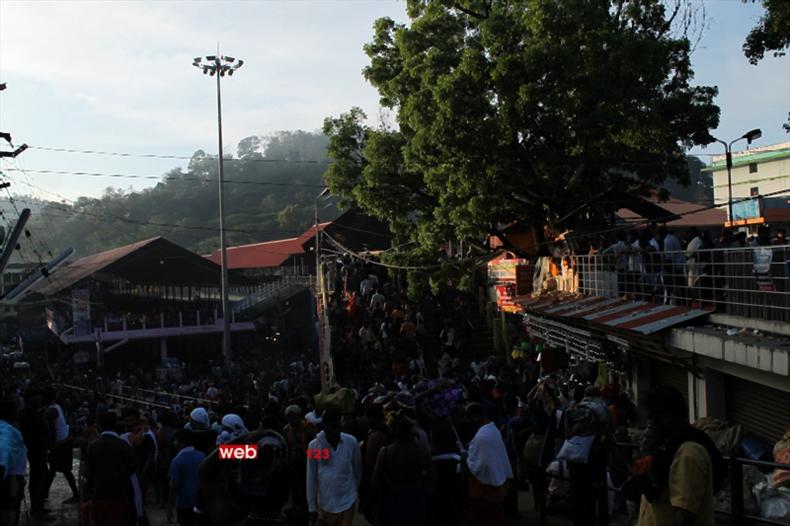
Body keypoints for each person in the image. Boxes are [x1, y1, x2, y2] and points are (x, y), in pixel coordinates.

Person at [635, 386, 723, 526]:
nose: (649, 425)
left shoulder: (688, 454)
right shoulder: (666, 450)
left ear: (666, 417)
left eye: (652, 419)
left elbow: (684, 516)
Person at [372, 415, 435, 526]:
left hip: (394, 496)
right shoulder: (421, 450)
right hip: (416, 496)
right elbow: (433, 475)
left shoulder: (386, 452)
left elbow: (375, 480)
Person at [85, 411, 144, 526]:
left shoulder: (92, 447)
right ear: (116, 423)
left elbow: (89, 474)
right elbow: (134, 466)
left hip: (100, 496)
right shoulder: (123, 445)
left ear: (99, 425)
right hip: (119, 496)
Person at [306, 411, 362, 526]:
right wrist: (311, 507)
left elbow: (357, 470)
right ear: (324, 427)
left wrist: (353, 491)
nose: (335, 431)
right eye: (332, 427)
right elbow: (311, 476)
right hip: (324, 503)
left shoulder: (351, 442)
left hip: (347, 501)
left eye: (337, 426)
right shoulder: (314, 446)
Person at [465, 402, 513, 526]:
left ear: (476, 416)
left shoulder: (482, 436)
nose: (469, 422)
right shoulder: (491, 429)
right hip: (494, 482)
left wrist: (467, 459)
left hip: (485, 487)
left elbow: (481, 465)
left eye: (470, 418)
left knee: (488, 517)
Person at [20, 388, 55, 522]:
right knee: (38, 479)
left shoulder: (30, 412)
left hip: (36, 449)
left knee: (40, 477)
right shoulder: (30, 414)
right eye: (37, 396)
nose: (40, 399)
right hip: (35, 450)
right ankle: (37, 510)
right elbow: (40, 431)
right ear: (31, 399)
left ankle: (38, 507)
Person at [43, 385, 79, 504]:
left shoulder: (50, 411)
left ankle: (76, 494)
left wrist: (51, 447)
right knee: (54, 470)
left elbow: (52, 432)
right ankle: (44, 493)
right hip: (64, 442)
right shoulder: (56, 406)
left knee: (64, 471)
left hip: (61, 445)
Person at [167, 429, 205, 526]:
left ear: (182, 443)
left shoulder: (177, 461)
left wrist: (170, 506)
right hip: (201, 501)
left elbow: (174, 485)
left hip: (184, 503)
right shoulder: (202, 455)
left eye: (176, 440)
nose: (174, 442)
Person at [0, 399, 27, 526]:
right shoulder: (7, 431)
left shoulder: (7, 428)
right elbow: (3, 453)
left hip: (13, 477)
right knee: (9, 512)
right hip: (11, 480)